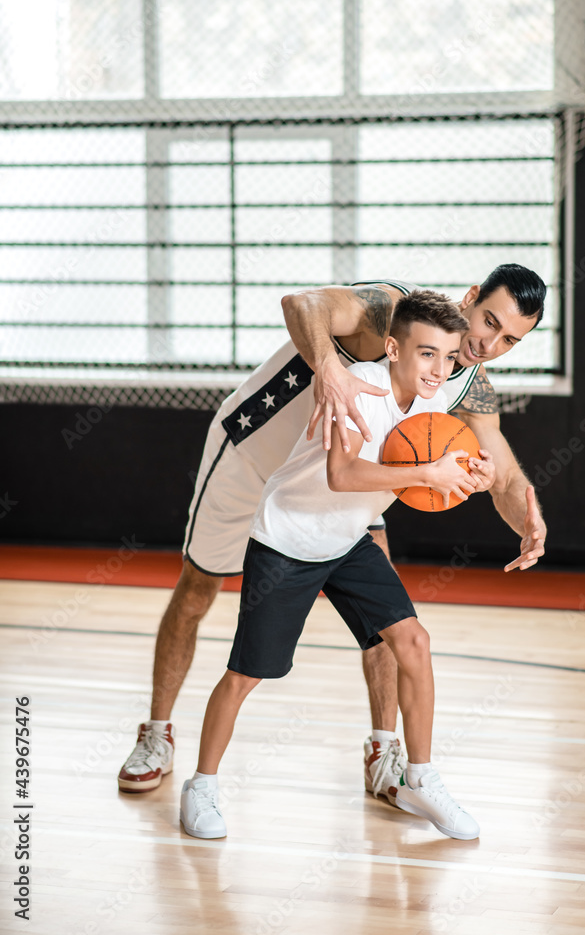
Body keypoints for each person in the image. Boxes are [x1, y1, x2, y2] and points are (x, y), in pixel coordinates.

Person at [118, 265, 547, 804]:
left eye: (510, 339)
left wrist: (528, 522)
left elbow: (503, 475)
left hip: (341, 483)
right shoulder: (390, 310)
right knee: (198, 589)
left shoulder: (470, 385)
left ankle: (383, 751)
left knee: (390, 623)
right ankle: (157, 733)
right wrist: (328, 365)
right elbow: (301, 302)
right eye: (489, 321)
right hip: (251, 454)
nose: (490, 342)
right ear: (470, 298)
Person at [179, 290, 495, 840]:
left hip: (347, 542)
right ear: (393, 349)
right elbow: (342, 474)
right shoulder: (360, 390)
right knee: (246, 675)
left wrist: (473, 476)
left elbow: (441, 467)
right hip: (288, 541)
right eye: (426, 354)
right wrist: (428, 475)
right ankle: (201, 785)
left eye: (447, 358)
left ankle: (419, 776)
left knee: (413, 642)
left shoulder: (432, 407)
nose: (438, 370)